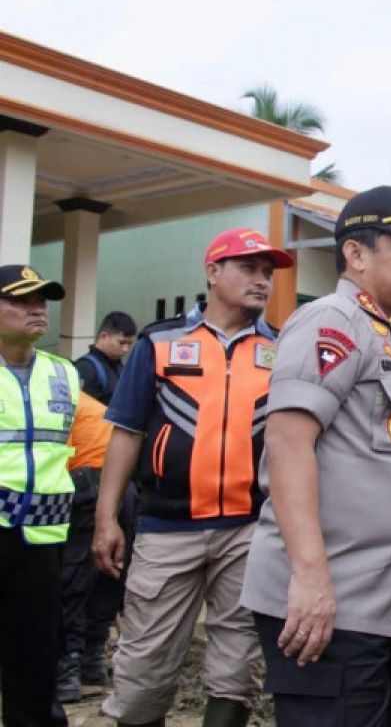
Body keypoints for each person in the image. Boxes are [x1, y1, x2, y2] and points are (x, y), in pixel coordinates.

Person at [240, 187, 391, 726]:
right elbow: (287, 443)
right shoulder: (331, 322)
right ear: (356, 255)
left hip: (368, 605)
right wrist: (310, 578)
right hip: (330, 603)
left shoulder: (378, 328)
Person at [93, 227, 293, 727]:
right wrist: (106, 519)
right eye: (248, 268)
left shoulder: (282, 349)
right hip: (166, 529)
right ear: (213, 271)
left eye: (267, 273)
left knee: (237, 667)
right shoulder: (160, 342)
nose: (262, 281)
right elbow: (126, 433)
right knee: (142, 668)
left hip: (249, 530)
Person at [0, 264, 77, 727]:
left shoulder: (64, 373)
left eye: (42, 301)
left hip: (44, 540)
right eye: (22, 301)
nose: (37, 310)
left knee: (35, 662)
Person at [60, 312, 139, 698]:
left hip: (95, 477)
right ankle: (86, 660)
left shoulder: (105, 373)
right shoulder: (83, 373)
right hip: (116, 476)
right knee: (108, 571)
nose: (125, 348)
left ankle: (71, 665)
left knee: (83, 575)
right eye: (121, 340)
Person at [54, 392, 115, 703]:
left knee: (72, 580)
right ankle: (91, 663)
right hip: (119, 482)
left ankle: (67, 670)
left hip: (86, 480)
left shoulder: (50, 400)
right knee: (106, 573)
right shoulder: (83, 401)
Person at [75, 311, 137, 405]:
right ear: (104, 336)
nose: (126, 349)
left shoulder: (120, 367)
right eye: (121, 342)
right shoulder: (86, 368)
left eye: (129, 344)